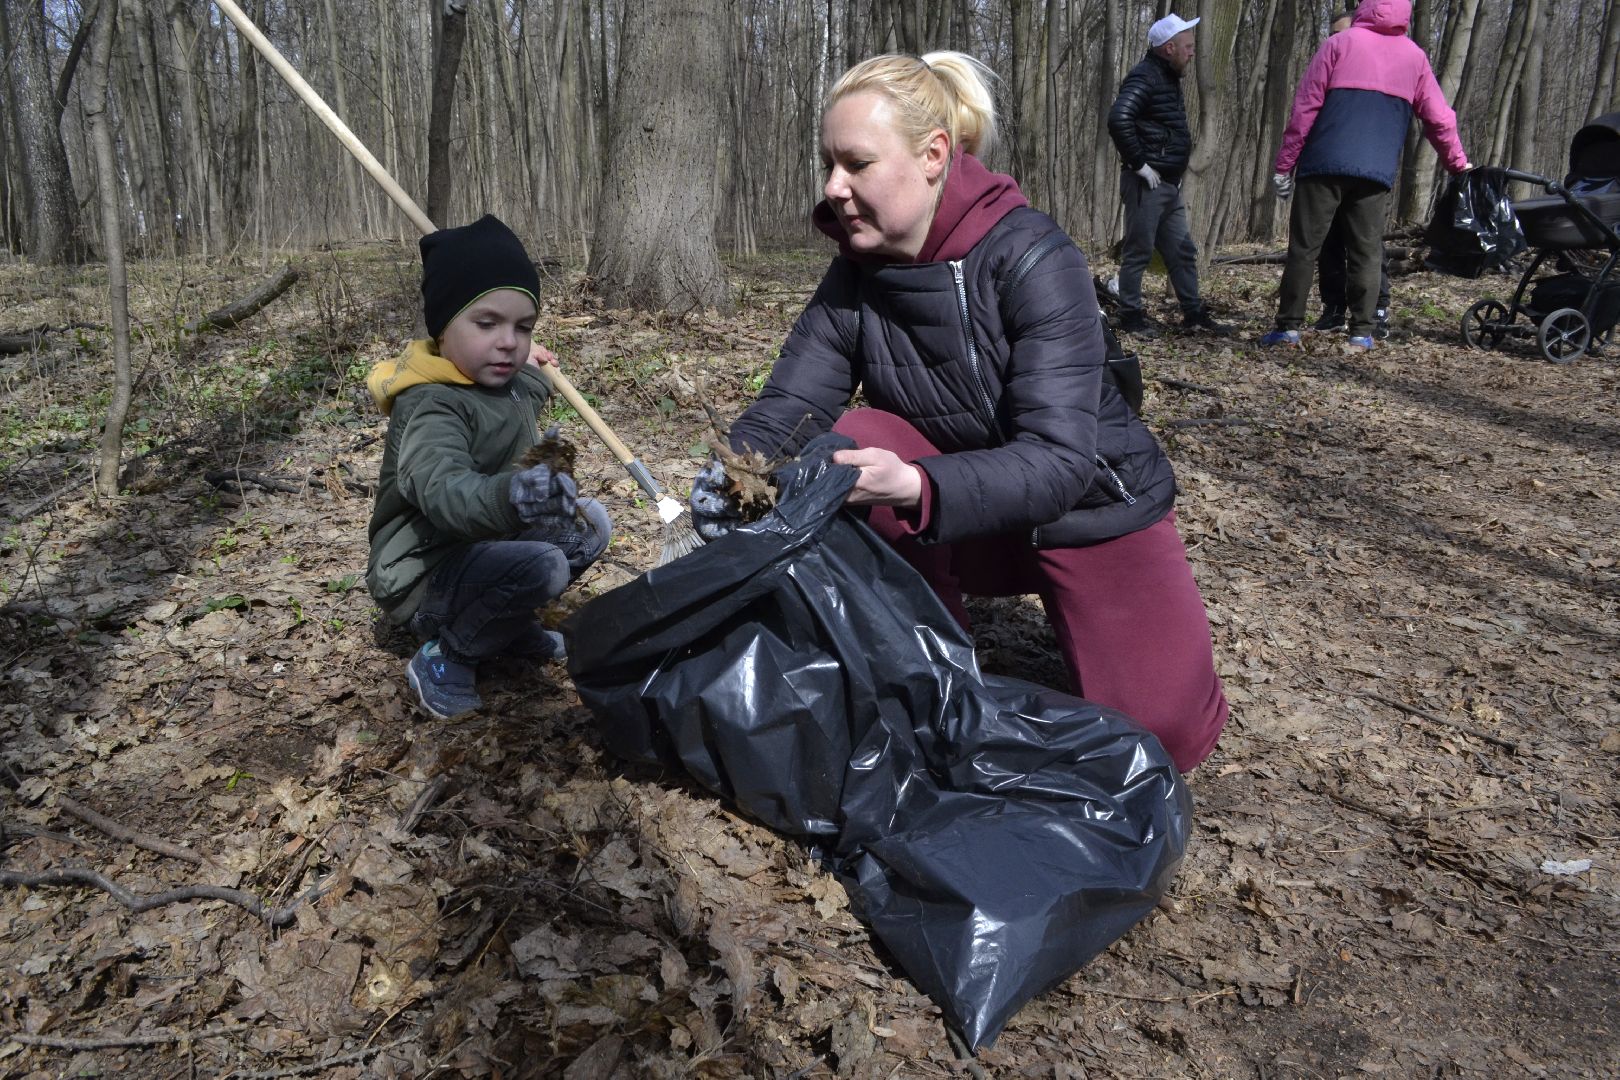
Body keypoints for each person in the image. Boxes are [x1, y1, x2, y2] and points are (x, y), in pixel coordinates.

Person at [689, 52, 1228, 773]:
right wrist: (734, 473)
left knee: (1162, 739)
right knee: (854, 440)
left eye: (856, 163)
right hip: (960, 518)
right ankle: (932, 670)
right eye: (828, 163)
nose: (833, 188)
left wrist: (916, 487)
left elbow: (1063, 461)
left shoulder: (1033, 257)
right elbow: (794, 403)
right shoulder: (857, 270)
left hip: (1088, 510)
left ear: (935, 154)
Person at [365, 214, 611, 720]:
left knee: (589, 525)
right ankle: (446, 654)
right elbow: (443, 489)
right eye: (487, 324)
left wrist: (533, 362)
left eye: (523, 327)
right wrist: (514, 495)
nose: (507, 342)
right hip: (424, 574)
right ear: (442, 327)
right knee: (543, 564)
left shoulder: (508, 379)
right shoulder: (430, 405)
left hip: (482, 551)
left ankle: (505, 622)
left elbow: (526, 390)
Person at [1262, 0, 1469, 349]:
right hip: (1374, 171)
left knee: (1304, 248)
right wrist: (1458, 164)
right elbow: (1440, 118)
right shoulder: (1414, 57)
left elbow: (1305, 108)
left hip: (1323, 165)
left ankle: (1288, 328)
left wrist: (1285, 165)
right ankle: (1361, 332)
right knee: (1367, 251)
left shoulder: (1338, 44)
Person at [1106, 13, 1227, 337]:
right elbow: (1119, 119)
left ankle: (1194, 314)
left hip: (1168, 185)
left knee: (1182, 251)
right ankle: (1131, 316)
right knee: (1139, 251)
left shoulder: (1167, 78)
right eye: (1187, 47)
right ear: (1169, 48)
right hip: (1148, 183)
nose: (1191, 52)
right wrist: (1139, 165)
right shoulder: (1145, 77)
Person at [1314, 8, 1393, 338]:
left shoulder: (1378, 71)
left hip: (1367, 169)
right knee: (1328, 240)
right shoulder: (1325, 67)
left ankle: (1377, 309)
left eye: (1342, 33)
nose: (1337, 40)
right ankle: (1333, 308)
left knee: (1366, 244)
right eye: (1332, 35)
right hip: (1327, 164)